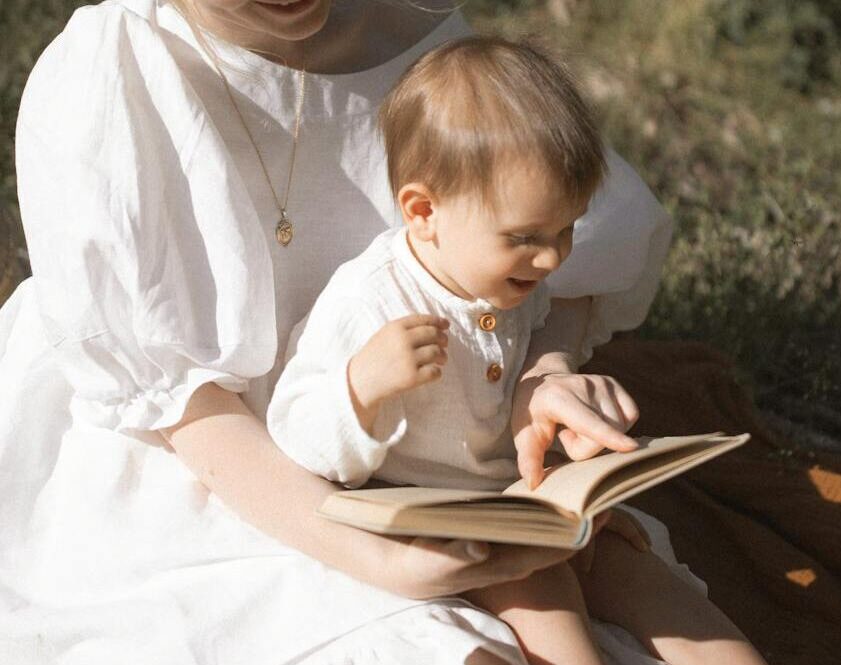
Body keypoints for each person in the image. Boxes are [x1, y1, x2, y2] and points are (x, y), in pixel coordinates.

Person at [0, 1, 763, 663]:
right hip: (210, 461)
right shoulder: (112, 80)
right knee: (427, 635)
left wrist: (542, 375)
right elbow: (180, 404)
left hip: (451, 447)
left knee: (628, 580)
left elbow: (544, 263)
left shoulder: (416, 37)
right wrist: (377, 560)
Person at [265, 36, 764, 665]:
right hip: (440, 527)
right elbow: (295, 432)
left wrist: (576, 463)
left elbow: (518, 391)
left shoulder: (513, 282)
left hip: (520, 504)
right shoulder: (370, 303)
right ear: (423, 212)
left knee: (659, 590)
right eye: (527, 237)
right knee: (548, 607)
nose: (553, 258)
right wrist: (361, 387)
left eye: (566, 229)